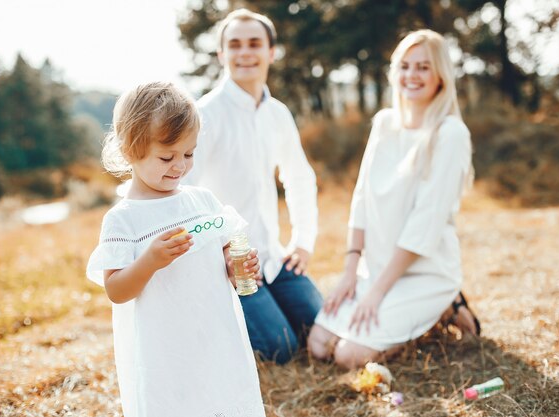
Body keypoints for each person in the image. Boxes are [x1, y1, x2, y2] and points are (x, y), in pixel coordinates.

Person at [86, 82, 265, 416]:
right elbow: (116, 290)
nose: (180, 166)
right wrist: (150, 261)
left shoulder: (202, 201)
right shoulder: (123, 220)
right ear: (129, 150)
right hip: (164, 348)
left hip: (214, 332)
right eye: (167, 156)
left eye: (189, 153)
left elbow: (224, 250)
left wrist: (236, 264)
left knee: (222, 394)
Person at [308, 29, 481, 370]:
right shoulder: (385, 123)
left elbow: (424, 224)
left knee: (347, 356)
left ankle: (444, 305)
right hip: (375, 269)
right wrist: (350, 272)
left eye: (423, 67)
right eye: (405, 66)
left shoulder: (450, 134)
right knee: (318, 345)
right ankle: (440, 309)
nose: (411, 75)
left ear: (440, 76)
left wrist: (376, 293)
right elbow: (361, 198)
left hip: (422, 273)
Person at [183, 8, 323, 364]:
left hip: (274, 257)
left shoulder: (278, 113)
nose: (245, 53)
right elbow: (184, 194)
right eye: (234, 45)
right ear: (221, 54)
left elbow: (300, 178)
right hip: (231, 265)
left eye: (254, 44)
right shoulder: (204, 116)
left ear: (271, 52)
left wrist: (303, 242)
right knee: (283, 349)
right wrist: (223, 253)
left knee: (323, 328)